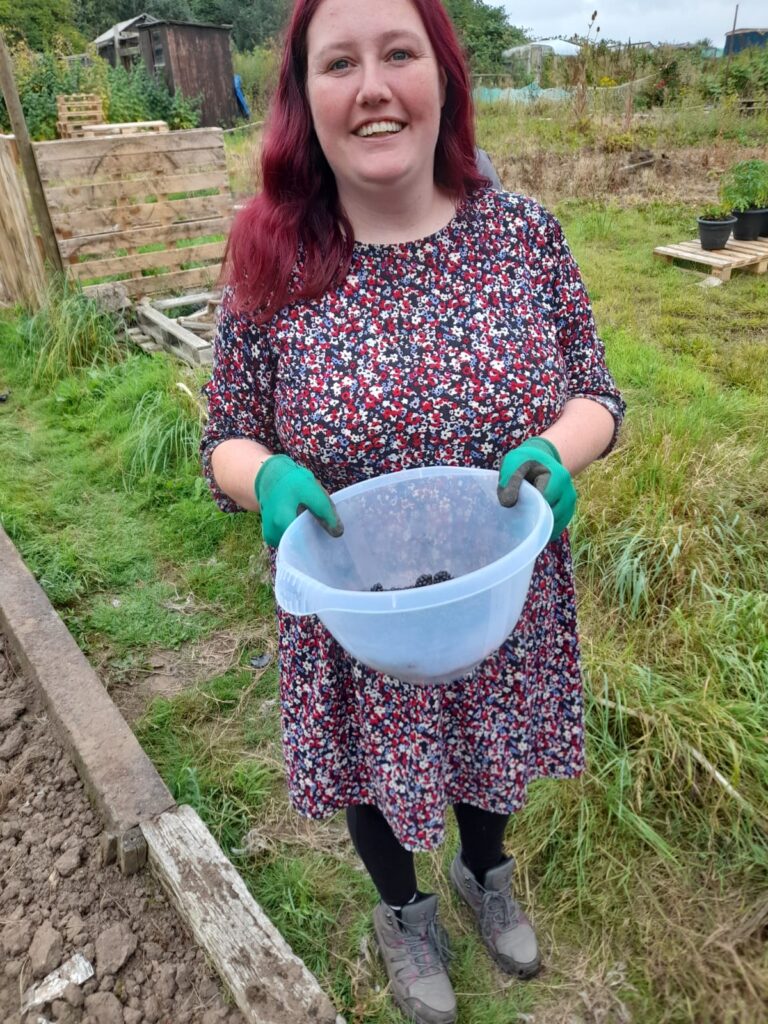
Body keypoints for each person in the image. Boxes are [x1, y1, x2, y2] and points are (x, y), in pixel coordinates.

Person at [200, 1, 625, 1021]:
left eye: (399, 53)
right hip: (357, 603)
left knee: (493, 742)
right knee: (368, 764)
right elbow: (223, 435)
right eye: (338, 62)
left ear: (442, 75)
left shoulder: (523, 235)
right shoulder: (273, 254)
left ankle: (488, 871)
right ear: (306, 97)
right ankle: (403, 910)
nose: (374, 86)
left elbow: (596, 394)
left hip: (492, 589)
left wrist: (560, 451)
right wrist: (263, 479)